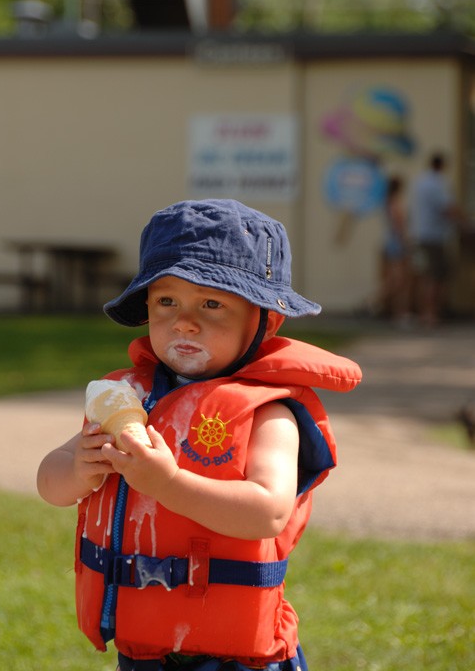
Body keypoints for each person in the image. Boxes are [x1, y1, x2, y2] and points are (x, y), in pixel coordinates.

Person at [37, 199, 362, 671]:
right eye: (167, 301)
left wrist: (168, 486)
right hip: (144, 653)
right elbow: (49, 484)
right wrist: (78, 468)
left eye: (212, 303)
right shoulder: (126, 398)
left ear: (265, 322)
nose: (185, 321)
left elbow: (269, 512)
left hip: (235, 659)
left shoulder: (269, 411)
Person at [409, 153, 464, 327]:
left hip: (421, 234)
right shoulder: (438, 183)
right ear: (442, 165)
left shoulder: (420, 182)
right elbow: (447, 208)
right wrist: (465, 222)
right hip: (434, 236)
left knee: (426, 276)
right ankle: (431, 314)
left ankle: (426, 313)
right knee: (435, 276)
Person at [376, 175, 412, 325]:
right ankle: (398, 313)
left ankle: (378, 305)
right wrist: (406, 243)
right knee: (399, 282)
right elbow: (399, 226)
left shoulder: (387, 202)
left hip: (389, 243)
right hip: (397, 245)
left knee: (394, 281)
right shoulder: (395, 204)